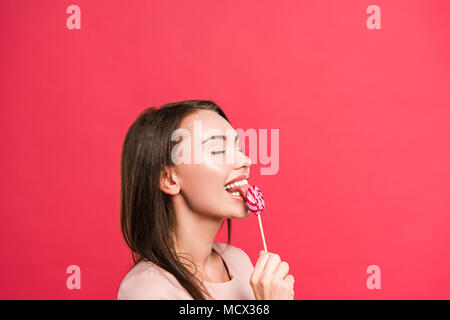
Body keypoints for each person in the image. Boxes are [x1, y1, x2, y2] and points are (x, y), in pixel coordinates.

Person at [117, 100, 294, 300]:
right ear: (168, 178)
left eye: (239, 149)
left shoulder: (239, 263)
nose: (246, 161)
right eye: (217, 150)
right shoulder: (147, 291)